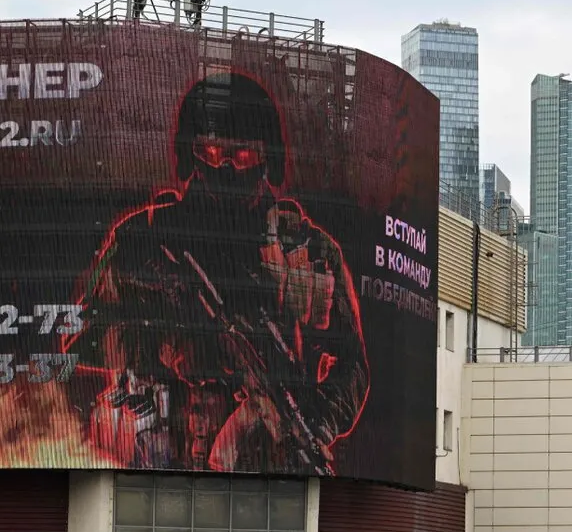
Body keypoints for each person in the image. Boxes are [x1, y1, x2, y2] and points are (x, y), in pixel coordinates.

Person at [67, 71, 369, 474]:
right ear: (190, 150)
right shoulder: (144, 236)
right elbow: (82, 337)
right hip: (158, 456)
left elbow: (353, 365)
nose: (224, 164)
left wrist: (317, 422)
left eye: (242, 152)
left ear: (266, 155)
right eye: (210, 149)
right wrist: (167, 348)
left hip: (267, 463)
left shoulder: (308, 250)